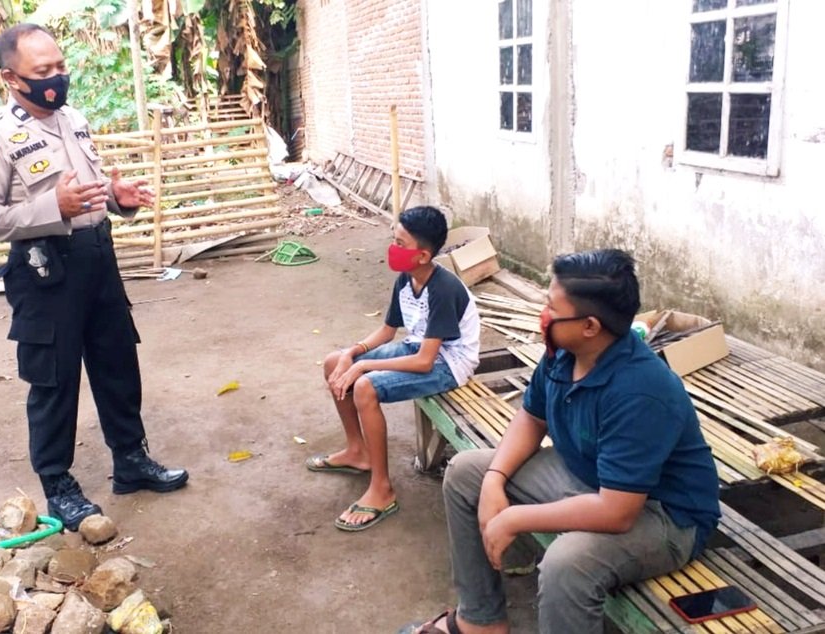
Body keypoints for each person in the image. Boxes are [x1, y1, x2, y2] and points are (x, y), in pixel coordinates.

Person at [403, 249, 721, 634]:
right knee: (467, 472)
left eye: (552, 308)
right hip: (590, 476)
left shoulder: (640, 391)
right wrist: (494, 479)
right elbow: (531, 417)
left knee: (566, 564)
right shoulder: (565, 353)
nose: (544, 315)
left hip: (662, 514)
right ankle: (480, 620)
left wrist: (515, 517)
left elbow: (617, 512)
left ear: (590, 326)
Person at [0, 23, 188, 531]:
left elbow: (86, 191)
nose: (58, 78)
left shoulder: (74, 119)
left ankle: (130, 460)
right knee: (54, 379)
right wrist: (52, 209)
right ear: (10, 78)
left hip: (97, 257)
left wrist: (115, 197)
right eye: (43, 71)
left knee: (117, 362)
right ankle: (58, 486)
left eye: (61, 66)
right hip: (44, 269)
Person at [308, 206, 480, 531]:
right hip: (419, 347)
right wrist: (352, 354)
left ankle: (382, 489)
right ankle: (357, 451)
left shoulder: (444, 289)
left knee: (365, 386)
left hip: (449, 364)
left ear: (423, 255)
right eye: (394, 239)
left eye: (400, 244)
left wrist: (364, 366)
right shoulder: (407, 278)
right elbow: (388, 331)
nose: (392, 248)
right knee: (334, 361)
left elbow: (425, 361)